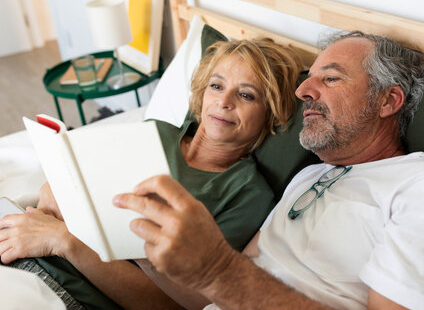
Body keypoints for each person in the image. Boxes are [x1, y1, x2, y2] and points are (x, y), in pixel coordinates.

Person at [113, 31, 424, 310]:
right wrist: (151, 253)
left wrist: (217, 268)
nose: (302, 92)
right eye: (308, 78)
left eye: (329, 78)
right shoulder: (308, 178)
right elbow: (212, 293)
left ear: (387, 100)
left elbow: (226, 277)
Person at [0, 38, 304, 309]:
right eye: (216, 85)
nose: (224, 101)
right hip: (27, 250)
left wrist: (65, 240)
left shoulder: (248, 193)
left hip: (66, 291)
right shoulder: (154, 132)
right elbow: (54, 197)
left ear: (271, 113)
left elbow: (171, 301)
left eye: (247, 95)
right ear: (201, 92)